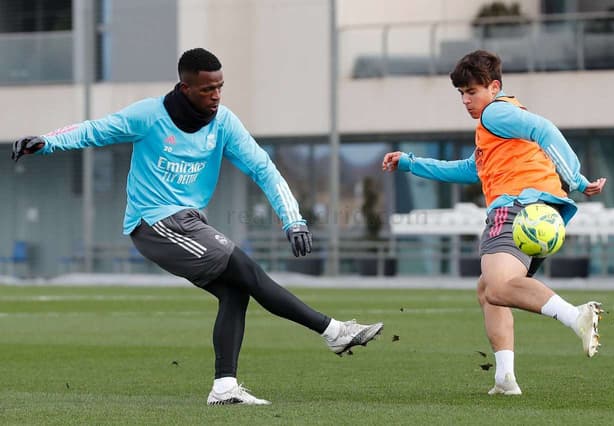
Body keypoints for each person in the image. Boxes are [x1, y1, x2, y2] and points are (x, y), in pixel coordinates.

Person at [11, 47, 383, 406]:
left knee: (236, 292)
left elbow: (263, 168)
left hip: (189, 223)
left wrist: (294, 219)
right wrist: (46, 142)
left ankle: (225, 388)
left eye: (220, 86)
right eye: (208, 89)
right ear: (185, 88)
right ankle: (334, 331)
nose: (216, 95)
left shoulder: (224, 123)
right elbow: (95, 130)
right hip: (154, 223)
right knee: (245, 268)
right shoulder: (149, 116)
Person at [381, 50, 606, 396]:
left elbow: (544, 129)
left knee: (499, 287)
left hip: (517, 209)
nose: (466, 100)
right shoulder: (495, 129)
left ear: (494, 87)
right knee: (488, 291)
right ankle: (504, 379)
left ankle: (576, 317)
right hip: (538, 211)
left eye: (472, 91)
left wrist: (575, 178)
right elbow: (469, 169)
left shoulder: (496, 113)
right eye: (461, 94)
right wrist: (411, 163)